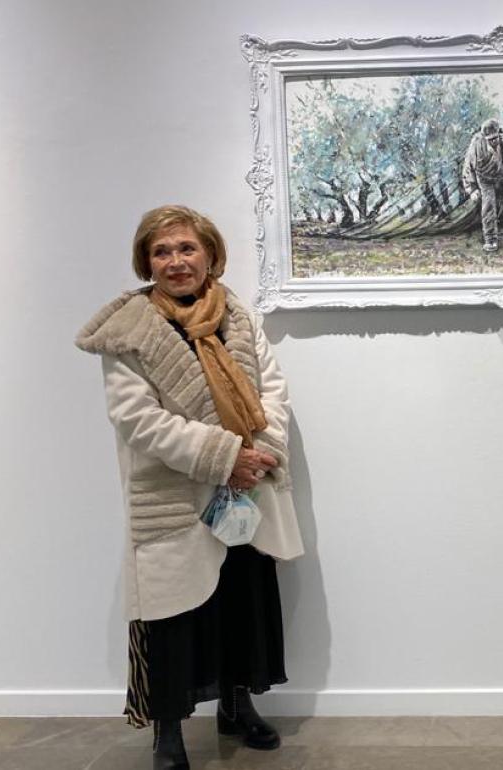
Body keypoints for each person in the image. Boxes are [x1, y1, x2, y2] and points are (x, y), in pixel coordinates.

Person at [76, 205, 304, 770]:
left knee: (241, 603)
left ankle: (236, 705)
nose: (176, 261)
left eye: (186, 249)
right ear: (146, 262)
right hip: (176, 495)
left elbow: (272, 391)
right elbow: (139, 420)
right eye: (162, 251)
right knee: (173, 618)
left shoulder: (240, 318)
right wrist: (224, 456)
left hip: (247, 490)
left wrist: (259, 452)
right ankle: (169, 732)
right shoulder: (128, 334)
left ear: (209, 255)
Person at [462, 118, 503, 252]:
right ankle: (491, 240)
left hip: (502, 177)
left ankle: (492, 227)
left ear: (499, 133)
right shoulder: (477, 142)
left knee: (497, 205)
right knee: (488, 205)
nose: (493, 141)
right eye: (489, 139)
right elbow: (468, 166)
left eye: (495, 138)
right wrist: (472, 188)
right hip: (484, 178)